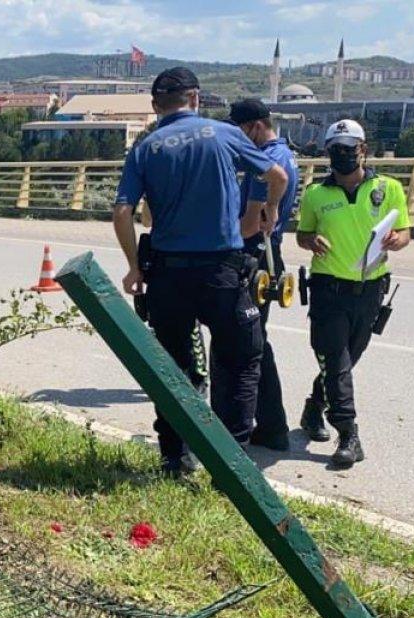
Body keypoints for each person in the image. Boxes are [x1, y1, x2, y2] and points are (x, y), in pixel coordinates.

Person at [114, 67, 289, 476]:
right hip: (222, 272)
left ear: (156, 107)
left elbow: (123, 213)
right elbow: (276, 175)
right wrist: (271, 210)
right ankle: (234, 463)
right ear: (196, 98)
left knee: (172, 368)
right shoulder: (224, 134)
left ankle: (175, 457)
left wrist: (133, 268)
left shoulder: (146, 147)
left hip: (168, 276)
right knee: (241, 360)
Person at [296, 119, 411, 468]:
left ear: (363, 149)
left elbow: (404, 232)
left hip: (370, 288)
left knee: (346, 360)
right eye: (336, 150)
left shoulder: (388, 188)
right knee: (335, 360)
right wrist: (310, 241)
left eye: (350, 148)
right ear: (328, 153)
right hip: (328, 288)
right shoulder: (316, 193)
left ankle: (314, 407)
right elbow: (302, 235)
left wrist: (396, 240)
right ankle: (348, 433)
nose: (343, 155)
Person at [209, 99, 300, 452]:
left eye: (238, 129)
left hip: (254, 253)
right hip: (264, 252)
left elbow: (252, 223)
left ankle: (268, 425)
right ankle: (271, 424)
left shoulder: (269, 160)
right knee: (254, 340)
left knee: (247, 343)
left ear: (255, 126)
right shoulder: (282, 154)